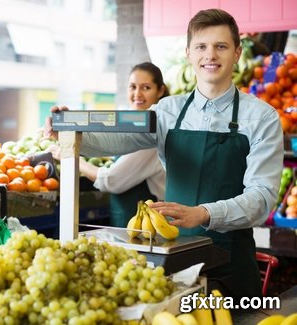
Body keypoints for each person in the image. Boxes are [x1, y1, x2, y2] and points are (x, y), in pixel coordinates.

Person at [44, 8, 284, 299]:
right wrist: (71, 128)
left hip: (233, 264)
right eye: (201, 47)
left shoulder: (262, 117)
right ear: (188, 53)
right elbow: (116, 141)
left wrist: (203, 214)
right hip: (174, 258)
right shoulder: (167, 111)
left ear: (236, 53)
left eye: (221, 46)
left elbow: (261, 198)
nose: (211, 55)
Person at [49, 62, 168, 228]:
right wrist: (68, 129)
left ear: (160, 91)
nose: (137, 94)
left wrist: (72, 158)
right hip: (127, 218)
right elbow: (103, 142)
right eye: (132, 87)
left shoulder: (154, 134)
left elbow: (112, 180)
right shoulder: (132, 125)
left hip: (147, 224)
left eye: (146, 88)